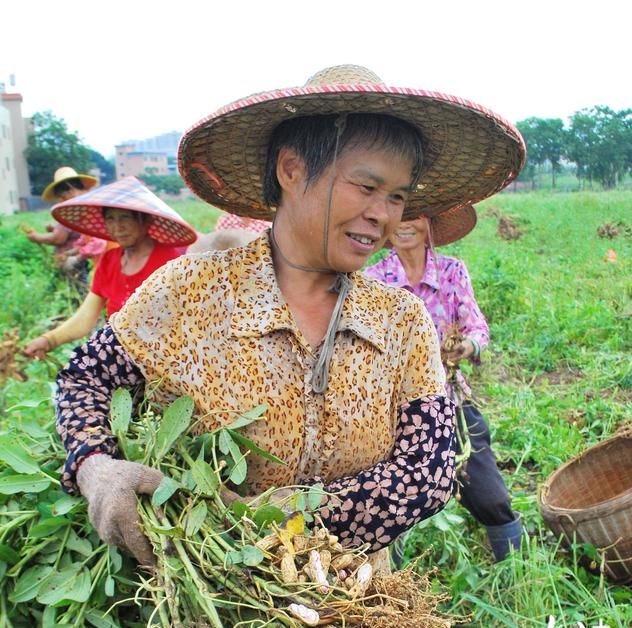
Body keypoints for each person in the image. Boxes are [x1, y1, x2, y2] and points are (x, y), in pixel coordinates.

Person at [53, 64, 525, 568]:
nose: (383, 214)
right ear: (292, 170)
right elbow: (86, 379)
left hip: (352, 594)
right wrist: (95, 464)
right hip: (211, 588)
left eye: (397, 196)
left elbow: (427, 472)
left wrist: (285, 515)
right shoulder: (190, 292)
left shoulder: (399, 318)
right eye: (366, 187)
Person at [364, 205, 523, 562]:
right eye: (398, 215)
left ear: (430, 221)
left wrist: (468, 345)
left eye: (416, 215)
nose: (406, 224)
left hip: (450, 398)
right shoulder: (374, 280)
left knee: (489, 495)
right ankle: (392, 580)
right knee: (393, 502)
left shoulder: (452, 271)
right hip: (395, 411)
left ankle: (517, 571)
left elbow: (478, 328)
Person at [23, 176, 196, 359]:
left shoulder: (170, 261)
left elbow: (187, 320)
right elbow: (86, 317)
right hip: (122, 352)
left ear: (145, 221)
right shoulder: (108, 261)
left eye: (125, 218)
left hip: (165, 354)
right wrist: (49, 340)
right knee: (77, 375)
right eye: (110, 219)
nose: (117, 227)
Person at [25, 167, 107, 284]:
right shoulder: (79, 208)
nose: (60, 199)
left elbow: (59, 238)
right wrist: (70, 253)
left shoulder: (78, 210)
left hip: (96, 261)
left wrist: (35, 237)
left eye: (61, 194)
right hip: (84, 259)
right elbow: (82, 238)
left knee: (84, 289)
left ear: (71, 190)